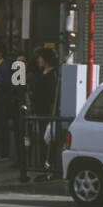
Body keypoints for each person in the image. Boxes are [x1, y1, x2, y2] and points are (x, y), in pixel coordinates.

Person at [30, 47, 59, 175]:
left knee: (46, 139)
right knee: (41, 137)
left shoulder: (52, 75)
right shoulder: (43, 72)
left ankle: (48, 166)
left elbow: (49, 95)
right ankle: (44, 165)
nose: (38, 60)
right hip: (41, 110)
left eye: (40, 57)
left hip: (47, 111)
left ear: (46, 59)